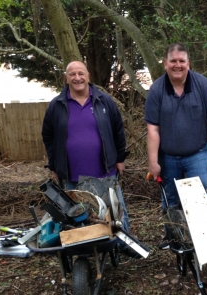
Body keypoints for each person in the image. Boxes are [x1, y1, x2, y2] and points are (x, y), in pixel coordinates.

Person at [42, 61, 137, 257]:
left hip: (105, 170)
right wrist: (54, 164)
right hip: (72, 174)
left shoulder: (104, 101)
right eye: (72, 74)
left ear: (88, 76)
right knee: (77, 214)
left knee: (116, 211)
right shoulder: (57, 105)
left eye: (81, 73)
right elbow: (48, 137)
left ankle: (122, 244)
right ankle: (85, 250)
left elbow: (118, 131)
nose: (77, 78)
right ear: (66, 78)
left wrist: (120, 158)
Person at [144, 42, 207, 248]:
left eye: (181, 61)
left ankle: (206, 237)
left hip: (197, 154)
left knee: (206, 193)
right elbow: (153, 129)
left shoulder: (202, 84)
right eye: (173, 61)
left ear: (188, 63)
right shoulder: (156, 90)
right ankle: (173, 235)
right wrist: (153, 163)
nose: (177, 65)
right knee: (171, 199)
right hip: (168, 156)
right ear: (165, 63)